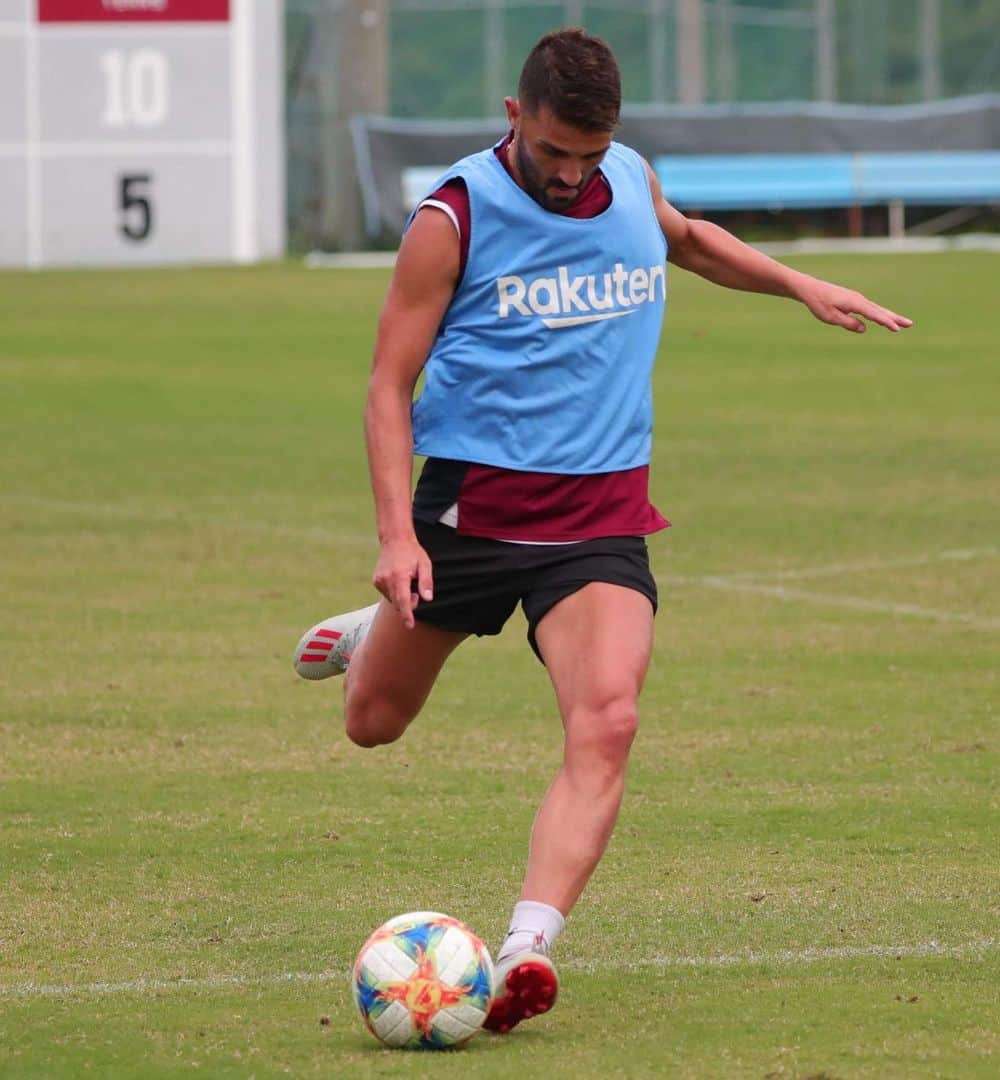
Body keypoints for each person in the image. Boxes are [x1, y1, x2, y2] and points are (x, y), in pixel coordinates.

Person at [293, 28, 912, 1034]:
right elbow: (386, 384)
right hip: (472, 512)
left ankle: (525, 951)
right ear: (512, 118)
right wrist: (395, 537)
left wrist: (803, 285)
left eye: (589, 154)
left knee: (609, 719)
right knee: (374, 723)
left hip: (601, 514)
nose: (572, 176)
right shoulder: (452, 218)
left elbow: (685, 236)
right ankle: (374, 636)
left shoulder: (626, 175)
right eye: (552, 154)